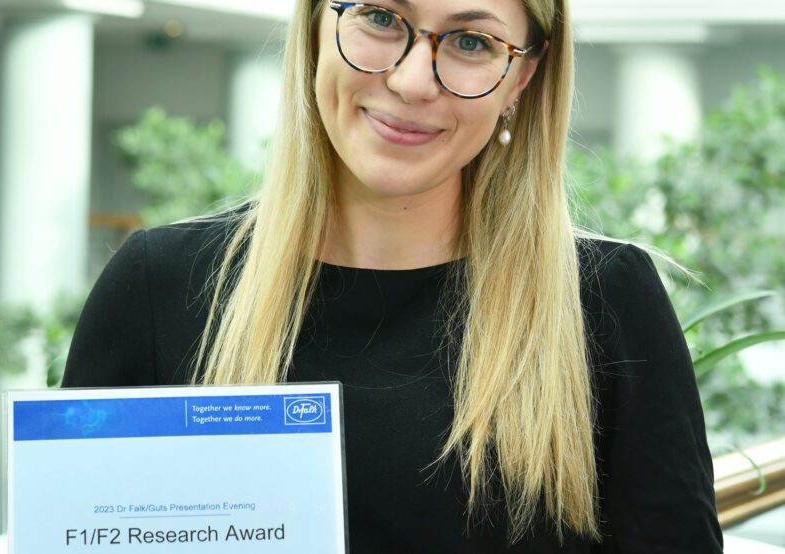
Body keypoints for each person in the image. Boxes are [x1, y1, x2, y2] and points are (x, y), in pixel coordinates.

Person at [63, 0, 724, 551]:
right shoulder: (158, 286)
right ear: (317, 26)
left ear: (520, 80)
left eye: (471, 41)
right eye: (380, 16)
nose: (412, 80)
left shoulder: (607, 301)